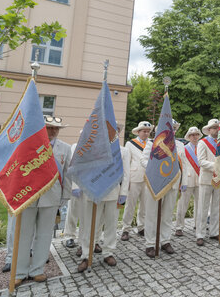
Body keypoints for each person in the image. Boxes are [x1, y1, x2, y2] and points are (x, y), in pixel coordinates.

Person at [14, 116, 72, 286]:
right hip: (29, 196)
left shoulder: (65, 148)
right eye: (49, 128)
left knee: (44, 235)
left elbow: (67, 174)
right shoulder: (29, 144)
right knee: (24, 235)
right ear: (42, 128)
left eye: (56, 128)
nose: (53, 131)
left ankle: (37, 270)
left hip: (52, 196)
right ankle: (20, 271)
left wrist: (64, 196)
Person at [77, 128, 130, 272]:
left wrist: (124, 192)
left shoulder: (123, 151)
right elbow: (82, 169)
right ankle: (86, 255)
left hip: (113, 193)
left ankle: (108, 252)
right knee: (90, 225)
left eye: (113, 131)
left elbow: (126, 173)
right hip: (93, 192)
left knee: (111, 224)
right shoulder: (92, 149)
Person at [141, 119, 186, 258]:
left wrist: (182, 182)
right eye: (168, 127)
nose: (171, 130)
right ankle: (150, 243)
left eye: (173, 128)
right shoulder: (151, 143)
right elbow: (143, 160)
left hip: (172, 183)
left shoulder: (179, 145)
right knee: (152, 214)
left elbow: (183, 164)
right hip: (155, 183)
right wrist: (155, 170)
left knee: (167, 214)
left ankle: (165, 240)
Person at [195, 118, 220, 246]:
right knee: (203, 208)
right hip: (207, 179)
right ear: (208, 130)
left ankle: (214, 232)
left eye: (218, 127)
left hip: (219, 179)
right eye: (214, 127)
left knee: (216, 208)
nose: (216, 129)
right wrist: (217, 166)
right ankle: (200, 234)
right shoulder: (203, 143)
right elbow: (201, 161)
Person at [121, 121, 152, 241]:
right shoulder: (130, 144)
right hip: (134, 177)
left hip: (147, 177)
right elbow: (127, 163)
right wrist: (126, 180)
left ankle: (141, 227)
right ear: (138, 132)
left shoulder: (151, 143)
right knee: (130, 204)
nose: (146, 133)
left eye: (148, 131)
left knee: (144, 205)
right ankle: (126, 228)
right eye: (144, 131)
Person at [174, 126, 201, 236]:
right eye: (192, 135)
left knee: (200, 205)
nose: (194, 137)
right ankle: (179, 227)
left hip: (200, 180)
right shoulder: (184, 148)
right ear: (188, 137)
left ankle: (198, 224)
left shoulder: (202, 147)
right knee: (182, 205)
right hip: (187, 179)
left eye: (196, 134)